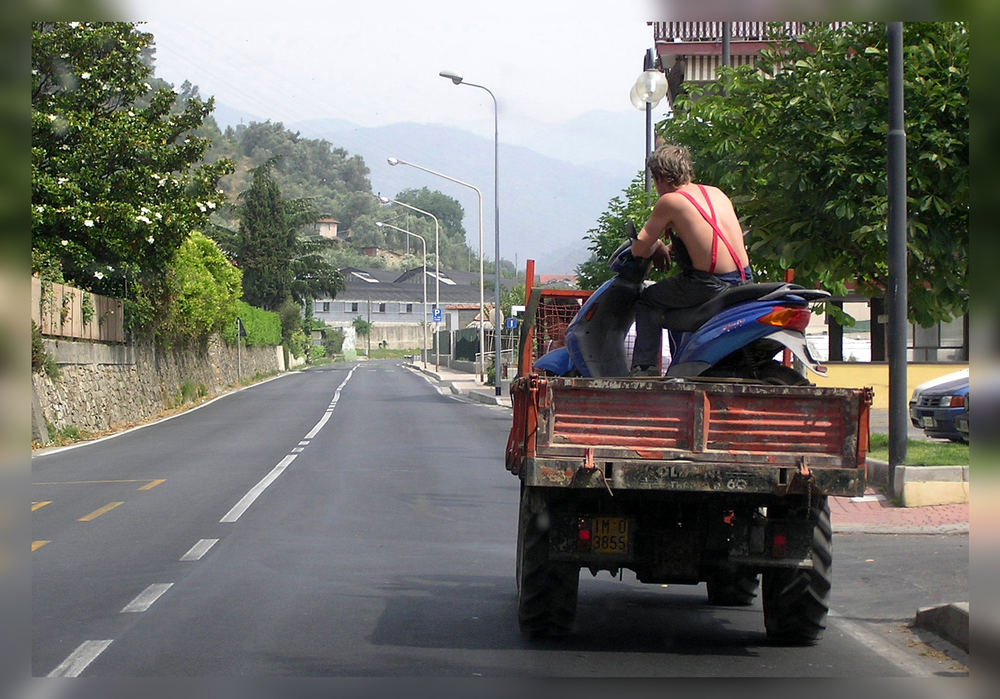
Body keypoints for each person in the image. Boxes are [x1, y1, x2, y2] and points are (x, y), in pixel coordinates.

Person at [628, 143, 752, 376]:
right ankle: (682, 365)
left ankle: (645, 368)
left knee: (648, 300)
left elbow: (639, 249)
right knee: (678, 306)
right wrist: (670, 246)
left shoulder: (670, 201)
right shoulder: (716, 193)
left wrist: (655, 246)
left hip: (709, 283)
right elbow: (708, 236)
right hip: (745, 279)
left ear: (659, 178)